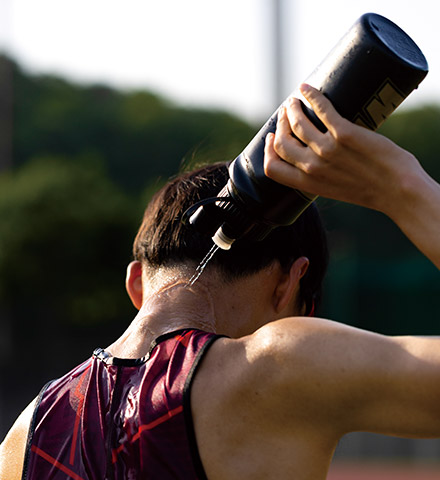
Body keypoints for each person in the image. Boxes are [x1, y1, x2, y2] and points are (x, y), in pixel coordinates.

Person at [1, 84, 440, 480]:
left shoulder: (23, 437)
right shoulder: (281, 367)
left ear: (135, 284)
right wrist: (400, 185)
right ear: (288, 285)